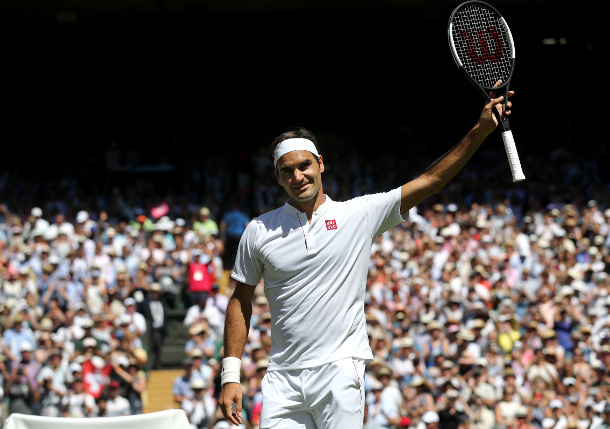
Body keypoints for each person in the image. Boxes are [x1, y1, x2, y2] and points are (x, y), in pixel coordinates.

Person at [217, 83, 515, 428]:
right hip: (281, 379)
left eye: (304, 165)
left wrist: (480, 130)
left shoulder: (358, 214)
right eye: (287, 170)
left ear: (321, 164)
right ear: (277, 177)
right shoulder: (258, 230)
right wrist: (230, 374)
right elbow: (240, 302)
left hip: (340, 370)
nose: (298, 176)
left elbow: (431, 180)